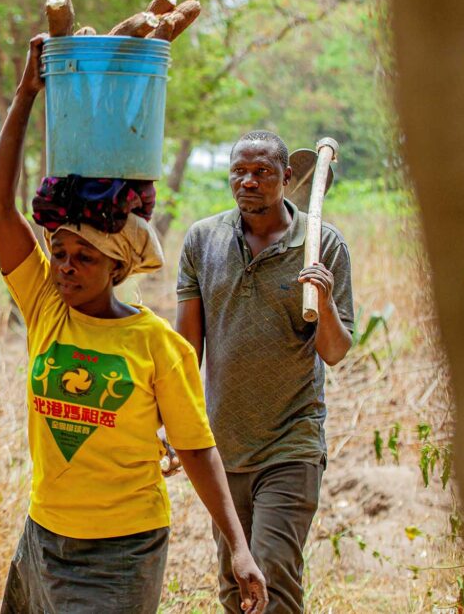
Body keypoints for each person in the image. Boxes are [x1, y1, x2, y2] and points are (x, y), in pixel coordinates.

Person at [0, 33, 268, 614]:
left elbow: (196, 450)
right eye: (59, 252)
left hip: (123, 550)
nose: (65, 267)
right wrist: (26, 94)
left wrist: (239, 549)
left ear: (119, 266)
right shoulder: (45, 306)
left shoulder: (158, 346)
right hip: (42, 536)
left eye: (84, 257)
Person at [175, 130, 354, 613]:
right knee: (237, 583)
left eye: (263, 173)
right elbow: (187, 350)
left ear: (288, 178)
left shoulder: (323, 245)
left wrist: (325, 297)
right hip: (223, 447)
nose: (248, 182)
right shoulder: (203, 240)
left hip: (290, 443)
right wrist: (173, 422)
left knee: (273, 577)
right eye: (240, 171)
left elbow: (334, 352)